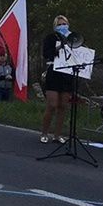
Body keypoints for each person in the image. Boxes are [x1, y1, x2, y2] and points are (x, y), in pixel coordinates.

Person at [40, 15, 76, 143]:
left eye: (64, 23)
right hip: (54, 72)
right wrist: (58, 48)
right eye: (59, 24)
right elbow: (46, 54)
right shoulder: (51, 38)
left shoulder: (73, 38)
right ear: (55, 26)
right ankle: (44, 133)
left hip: (67, 74)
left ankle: (57, 135)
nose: (62, 26)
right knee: (52, 104)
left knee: (62, 106)